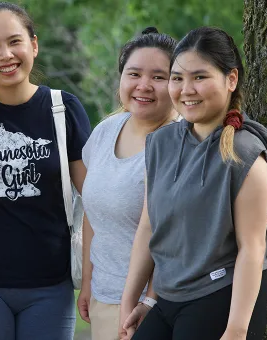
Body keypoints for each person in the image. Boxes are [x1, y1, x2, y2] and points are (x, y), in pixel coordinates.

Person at [119, 26, 267, 340]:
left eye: (200, 77)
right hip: (168, 299)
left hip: (218, 297)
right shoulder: (162, 143)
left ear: (230, 79)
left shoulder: (245, 154)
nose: (186, 89)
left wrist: (236, 329)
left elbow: (253, 249)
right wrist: (136, 300)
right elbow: (149, 226)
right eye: (178, 78)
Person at [0, 2, 91, 340]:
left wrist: (91, 281)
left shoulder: (63, 108)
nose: (5, 55)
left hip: (50, 286)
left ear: (33, 45)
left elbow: (95, 202)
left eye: (14, 42)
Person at [76, 27, 180, 340]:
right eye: (134, 73)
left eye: (159, 77)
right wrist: (87, 282)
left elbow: (174, 239)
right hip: (102, 297)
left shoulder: (180, 143)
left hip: (153, 308)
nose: (143, 86)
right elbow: (93, 211)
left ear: (177, 83)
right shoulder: (106, 131)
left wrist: (148, 301)